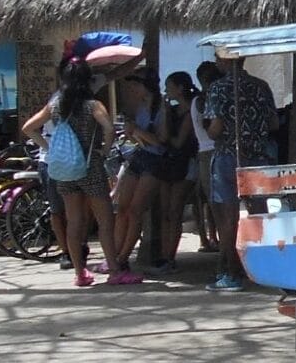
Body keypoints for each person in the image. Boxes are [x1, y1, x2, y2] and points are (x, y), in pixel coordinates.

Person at [20, 58, 121, 287]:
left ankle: (80, 273)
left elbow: (28, 128)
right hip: (90, 166)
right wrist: (103, 151)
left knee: (74, 221)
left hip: (65, 170)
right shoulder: (93, 105)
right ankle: (114, 271)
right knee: (104, 220)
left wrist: (49, 148)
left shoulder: (55, 106)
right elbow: (109, 129)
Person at [200, 53, 279, 293]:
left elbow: (215, 130)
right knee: (261, 215)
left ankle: (230, 271)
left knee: (227, 218)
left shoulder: (217, 89)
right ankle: (267, 268)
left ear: (224, 61)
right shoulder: (261, 86)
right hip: (257, 156)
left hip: (227, 156)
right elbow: (274, 123)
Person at [142, 72, 199, 275]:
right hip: (169, 163)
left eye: (169, 86)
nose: (166, 90)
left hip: (185, 162)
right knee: (166, 212)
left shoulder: (191, 111)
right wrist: (165, 112)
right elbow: (165, 136)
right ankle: (165, 255)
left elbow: (178, 141)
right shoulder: (173, 111)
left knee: (175, 211)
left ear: (180, 88)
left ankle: (170, 257)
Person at [109, 71, 166, 276]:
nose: (133, 90)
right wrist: (132, 132)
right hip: (139, 156)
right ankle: (114, 255)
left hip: (154, 161)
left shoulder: (162, 108)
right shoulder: (141, 107)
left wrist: (137, 131)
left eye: (136, 86)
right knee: (122, 208)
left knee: (135, 210)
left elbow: (161, 140)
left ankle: (124, 257)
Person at [191, 61, 222, 251]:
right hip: (211, 149)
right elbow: (208, 126)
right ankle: (216, 238)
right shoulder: (206, 99)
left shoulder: (198, 100)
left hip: (204, 152)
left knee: (211, 201)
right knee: (216, 202)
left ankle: (213, 238)